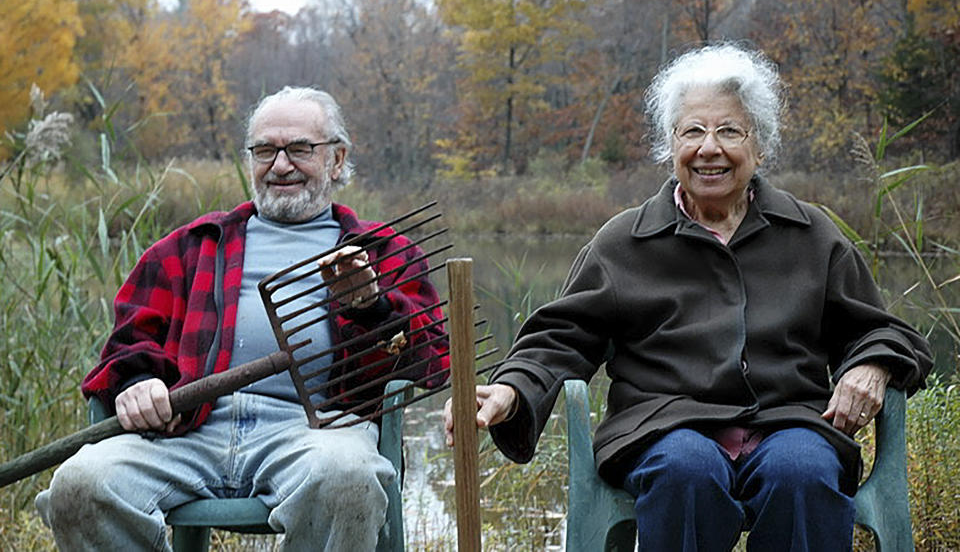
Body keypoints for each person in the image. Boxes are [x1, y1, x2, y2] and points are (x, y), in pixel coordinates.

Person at [444, 43, 933, 551]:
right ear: (670, 144)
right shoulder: (624, 241)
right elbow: (561, 337)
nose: (709, 148)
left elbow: (884, 330)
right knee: (686, 470)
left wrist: (870, 365)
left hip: (789, 423)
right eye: (693, 131)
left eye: (729, 131)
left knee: (803, 472)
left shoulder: (810, 233)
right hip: (665, 426)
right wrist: (511, 390)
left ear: (759, 146)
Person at [37, 86, 449, 551]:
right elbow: (129, 341)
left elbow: (433, 360)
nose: (280, 166)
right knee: (81, 483)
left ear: (337, 160)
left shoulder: (384, 254)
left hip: (314, 436)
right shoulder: (191, 246)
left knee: (348, 478)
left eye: (299, 149)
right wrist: (136, 381)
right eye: (265, 151)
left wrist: (370, 306)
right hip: (191, 431)